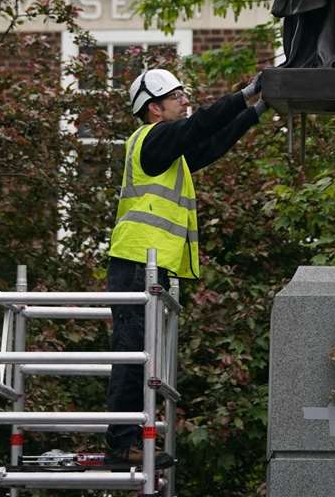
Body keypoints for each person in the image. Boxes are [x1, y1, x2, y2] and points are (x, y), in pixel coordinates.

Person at [104, 66, 264, 470]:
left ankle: (129, 441)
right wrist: (245, 94)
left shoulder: (166, 152)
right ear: (154, 109)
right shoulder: (153, 139)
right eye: (176, 96)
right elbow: (201, 125)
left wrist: (255, 111)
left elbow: (209, 145)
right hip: (139, 261)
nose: (184, 101)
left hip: (148, 265)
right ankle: (121, 445)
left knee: (142, 356)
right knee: (131, 355)